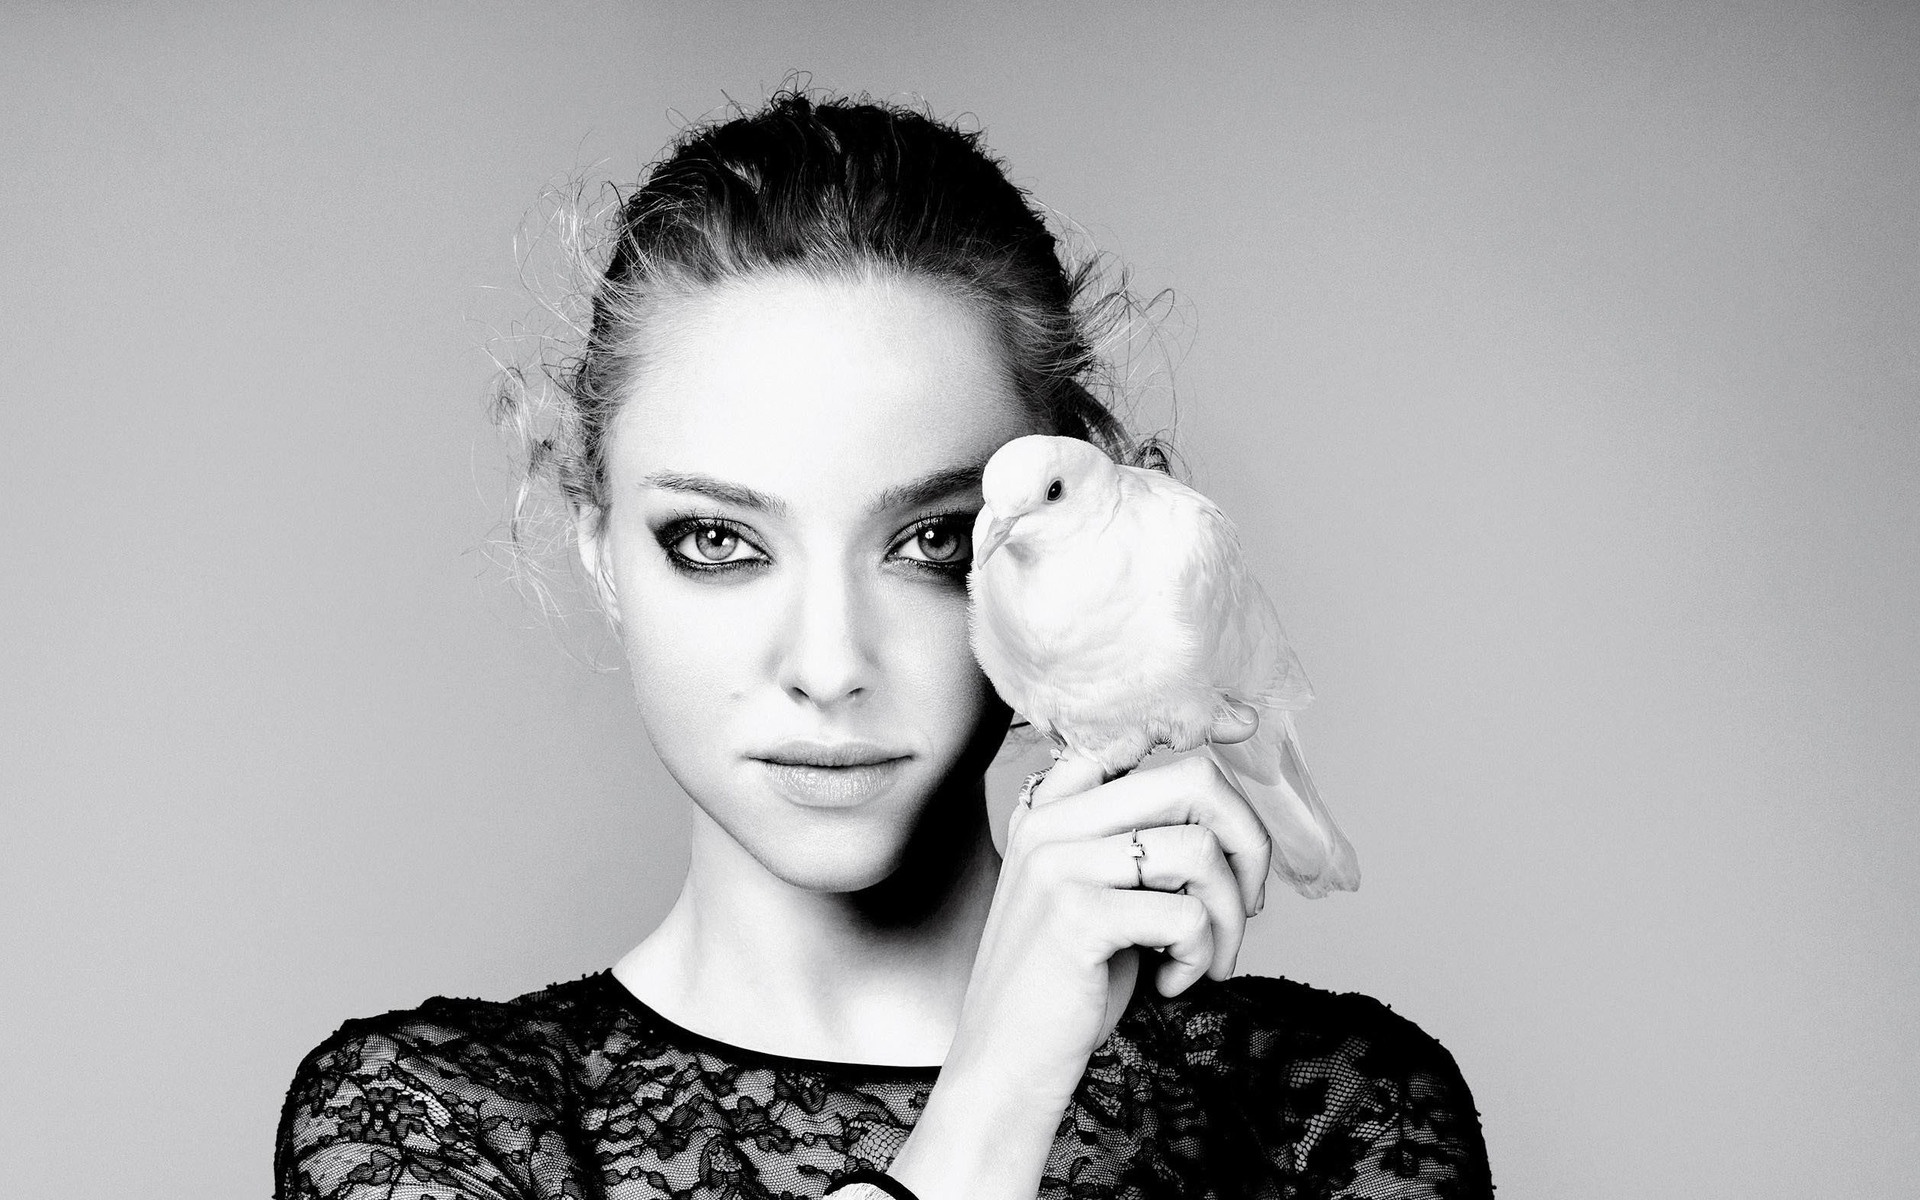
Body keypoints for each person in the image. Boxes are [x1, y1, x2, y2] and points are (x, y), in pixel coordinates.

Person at [274, 91, 1492, 1200]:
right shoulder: (420, 1123)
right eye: (717, 539)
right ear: (600, 549)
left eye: (931, 542)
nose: (827, 665)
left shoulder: (1332, 1115)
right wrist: (997, 1099)